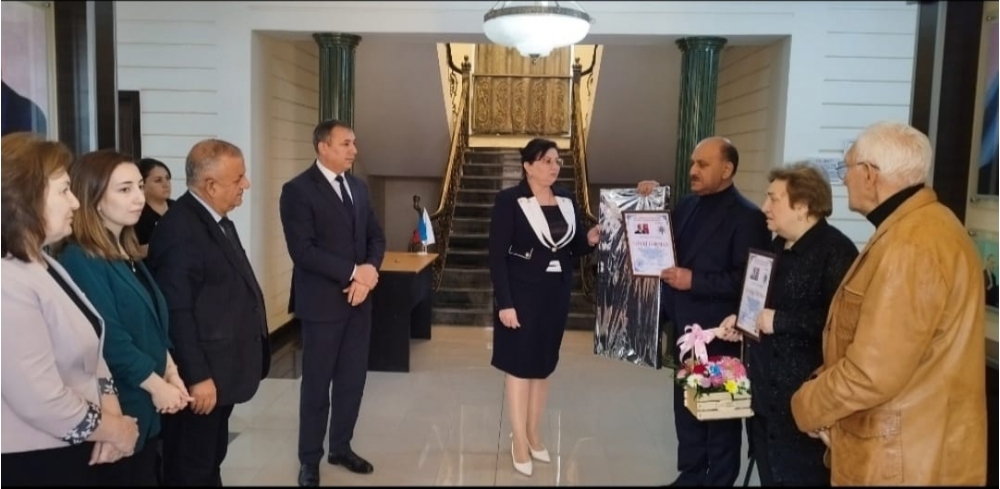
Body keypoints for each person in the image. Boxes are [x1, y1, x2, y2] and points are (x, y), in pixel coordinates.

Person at [790, 121, 987, 486]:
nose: (843, 179)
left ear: (869, 174)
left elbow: (871, 374)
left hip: (902, 461)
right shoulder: (922, 227)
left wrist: (806, 405)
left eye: (846, 168)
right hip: (912, 449)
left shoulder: (912, 245)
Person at [1, 132, 139, 486]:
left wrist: (110, 410)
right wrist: (117, 430)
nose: (76, 203)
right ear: (24, 198)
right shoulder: (8, 281)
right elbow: (39, 400)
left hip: (76, 445)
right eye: (64, 190)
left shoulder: (42, 262)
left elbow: (93, 350)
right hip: (34, 458)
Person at [637, 136, 771, 486]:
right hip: (685, 332)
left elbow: (748, 281)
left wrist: (694, 280)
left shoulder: (748, 217)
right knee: (687, 410)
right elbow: (659, 245)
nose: (693, 170)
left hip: (721, 336)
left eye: (703, 164)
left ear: (727, 170)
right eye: (693, 163)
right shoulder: (687, 205)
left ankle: (719, 480)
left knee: (720, 417)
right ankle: (691, 475)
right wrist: (649, 201)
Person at [714, 162, 858, 486]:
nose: (765, 207)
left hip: (805, 402)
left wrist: (780, 321)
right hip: (766, 397)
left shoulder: (837, 252)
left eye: (774, 199)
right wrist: (743, 319)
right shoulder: (775, 245)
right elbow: (760, 302)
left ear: (803, 206)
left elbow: (844, 325)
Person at [57, 149, 193, 486]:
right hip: (117, 405)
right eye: (124, 189)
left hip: (143, 406)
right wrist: (157, 385)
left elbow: (153, 323)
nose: (139, 198)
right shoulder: (80, 258)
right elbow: (108, 337)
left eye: (139, 187)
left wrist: (171, 372)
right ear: (94, 199)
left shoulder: (126, 254)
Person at [147, 139, 271, 486]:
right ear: (211, 185)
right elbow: (177, 311)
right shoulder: (180, 229)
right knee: (190, 466)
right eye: (238, 178)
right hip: (201, 378)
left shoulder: (214, 219)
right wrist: (197, 376)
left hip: (222, 372)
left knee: (210, 458)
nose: (246, 184)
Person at [279, 120, 386, 487]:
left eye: (354, 143)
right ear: (322, 147)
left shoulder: (358, 187)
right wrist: (355, 272)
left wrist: (369, 273)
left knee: (352, 382)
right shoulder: (297, 191)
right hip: (322, 305)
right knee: (316, 386)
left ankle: (341, 447)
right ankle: (309, 459)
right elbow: (303, 251)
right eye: (345, 143)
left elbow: (375, 237)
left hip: (359, 302)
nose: (354, 150)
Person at [488, 138, 600, 477]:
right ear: (528, 166)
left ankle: (534, 433)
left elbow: (573, 246)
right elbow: (497, 256)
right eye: (546, 161)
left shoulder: (566, 198)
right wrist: (505, 303)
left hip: (555, 294)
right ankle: (519, 440)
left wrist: (590, 239)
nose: (554, 167)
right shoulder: (510, 200)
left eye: (557, 161)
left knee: (543, 366)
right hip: (521, 295)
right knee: (519, 367)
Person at [134, 158, 175, 254]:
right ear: (142, 184)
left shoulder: (180, 208)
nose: (166, 184)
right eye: (158, 180)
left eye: (167, 178)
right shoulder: (135, 214)